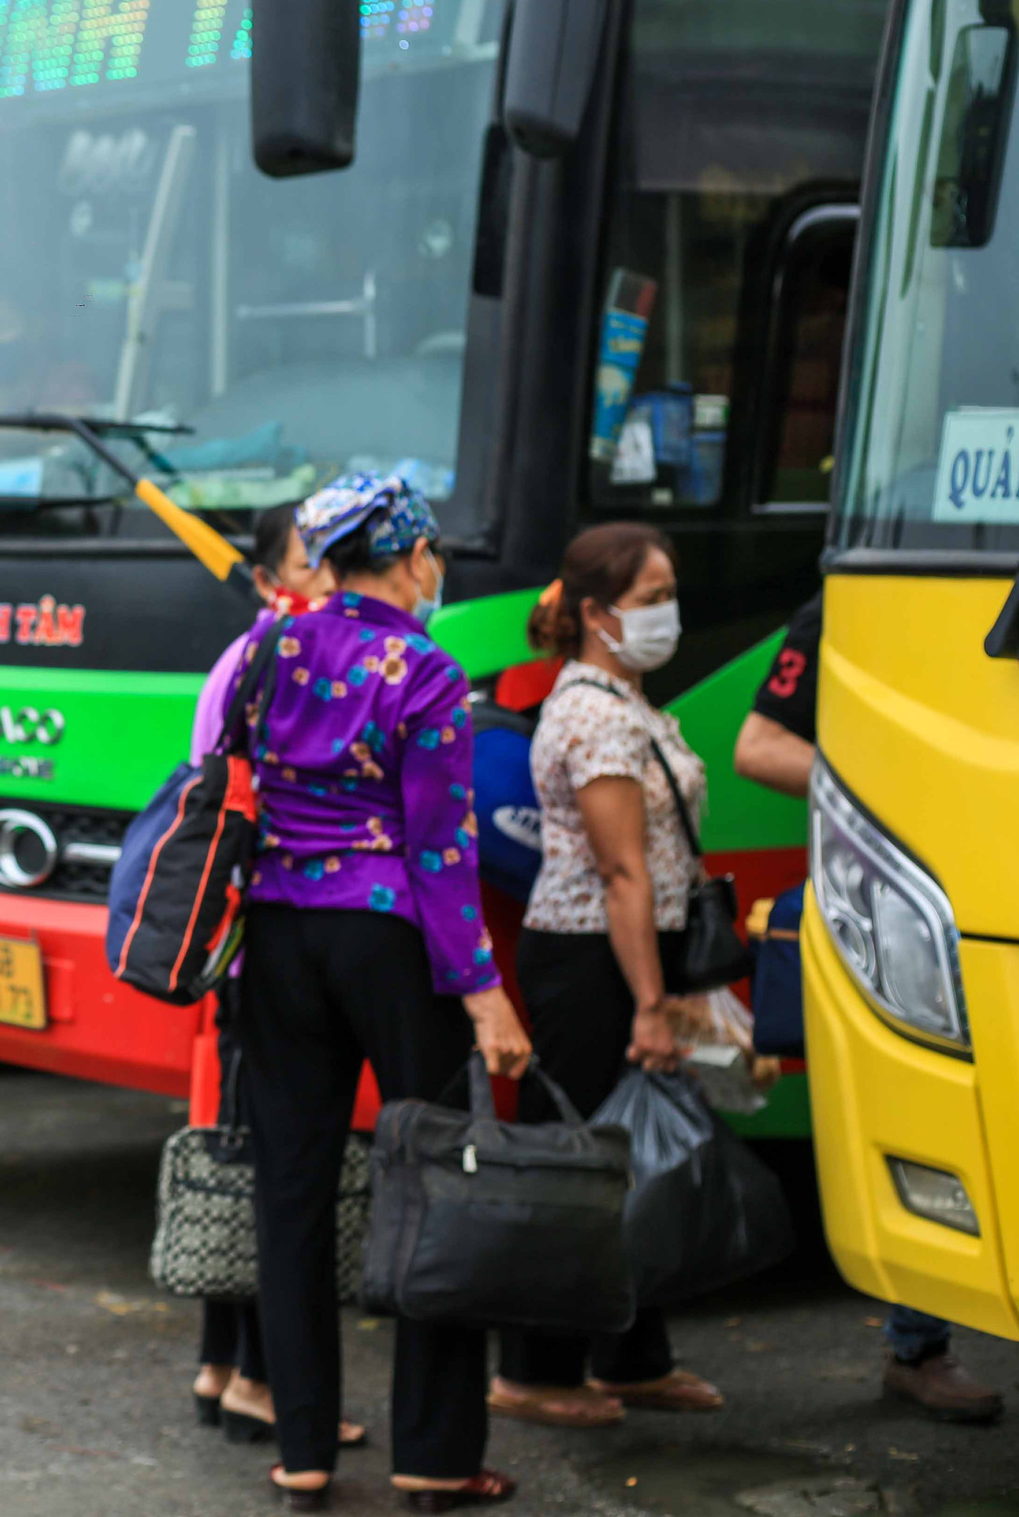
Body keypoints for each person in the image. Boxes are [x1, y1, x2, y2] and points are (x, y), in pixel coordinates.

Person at [225, 473, 532, 1511]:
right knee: (435, 1183)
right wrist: (483, 991)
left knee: (292, 1189)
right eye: (430, 556)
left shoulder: (264, 649)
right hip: (389, 942)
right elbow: (441, 852)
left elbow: (224, 783)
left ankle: (302, 1446)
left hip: (271, 939)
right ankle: (433, 1454)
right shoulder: (427, 671)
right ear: (410, 560)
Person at [734, 597, 1005, 1425]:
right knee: (924, 1101)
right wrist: (897, 796)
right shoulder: (861, 600)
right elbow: (759, 746)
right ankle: (917, 1346)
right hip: (918, 901)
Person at [490, 522, 721, 1429]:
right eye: (651, 597)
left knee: (637, 1160)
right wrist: (652, 1006)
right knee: (577, 1171)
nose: (668, 613)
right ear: (594, 612)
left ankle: (632, 1357)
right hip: (592, 962)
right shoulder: (590, 713)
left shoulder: (629, 700)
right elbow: (623, 870)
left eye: (670, 594)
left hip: (629, 954)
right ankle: (533, 1369)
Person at [188, 503, 363, 1448]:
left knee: (241, 1147)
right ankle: (258, 1372)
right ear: (266, 581)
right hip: (267, 945)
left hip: (242, 947)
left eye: (335, 563)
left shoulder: (247, 659)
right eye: (310, 564)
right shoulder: (281, 661)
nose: (330, 581)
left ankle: (222, 1360)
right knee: (272, 1166)